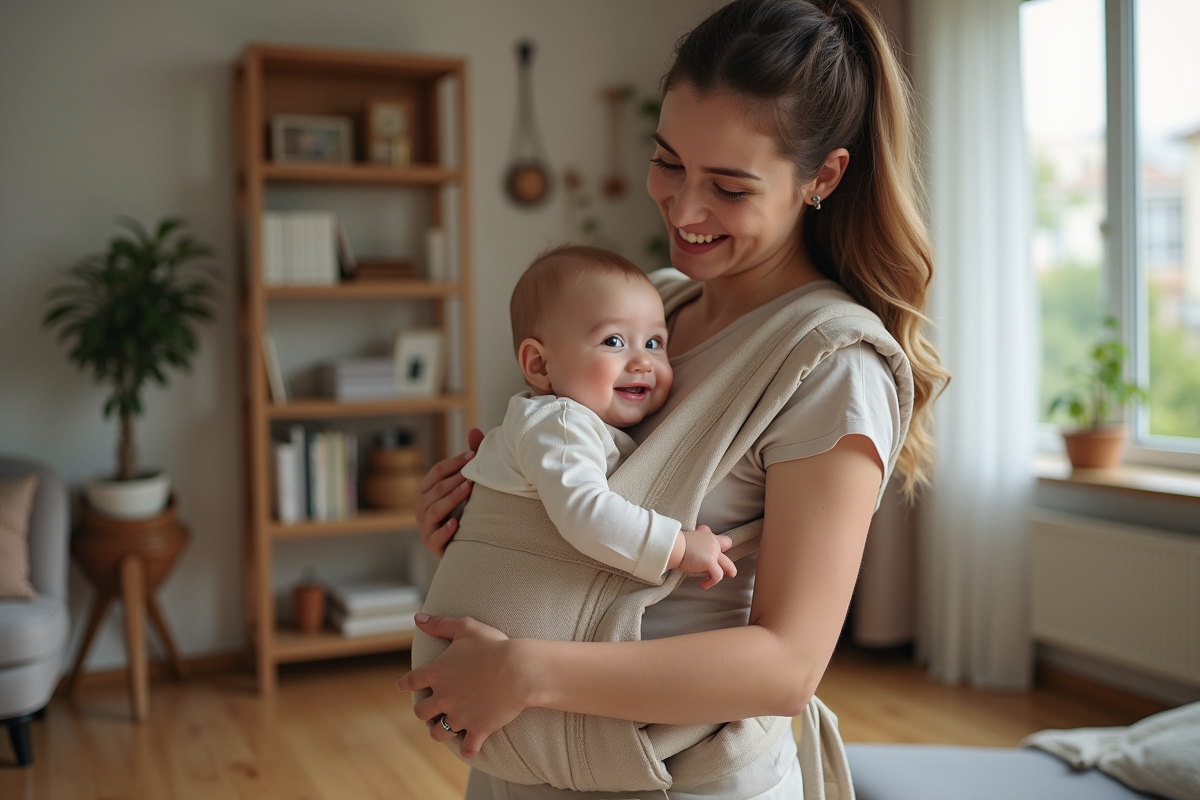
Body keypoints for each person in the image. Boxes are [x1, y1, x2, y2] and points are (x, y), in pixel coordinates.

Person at [398, 0, 949, 797]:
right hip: (518, 765)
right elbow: (567, 503)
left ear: (822, 177)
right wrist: (473, 522)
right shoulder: (650, 307)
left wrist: (525, 671)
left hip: (676, 780)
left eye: (728, 187)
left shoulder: (830, 365)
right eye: (668, 162)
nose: (684, 211)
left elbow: (786, 668)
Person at [461, 243, 736, 588]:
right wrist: (677, 547)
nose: (643, 362)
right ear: (540, 364)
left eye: (654, 343)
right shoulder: (559, 424)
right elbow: (585, 513)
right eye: (614, 341)